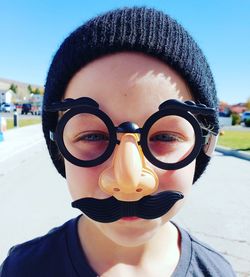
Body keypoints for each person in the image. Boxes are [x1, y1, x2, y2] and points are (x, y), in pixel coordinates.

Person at [0, 7, 236, 277]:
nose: (129, 183)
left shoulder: (217, 272)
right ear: (58, 148)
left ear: (205, 145)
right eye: (93, 136)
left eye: (164, 137)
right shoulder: (24, 270)